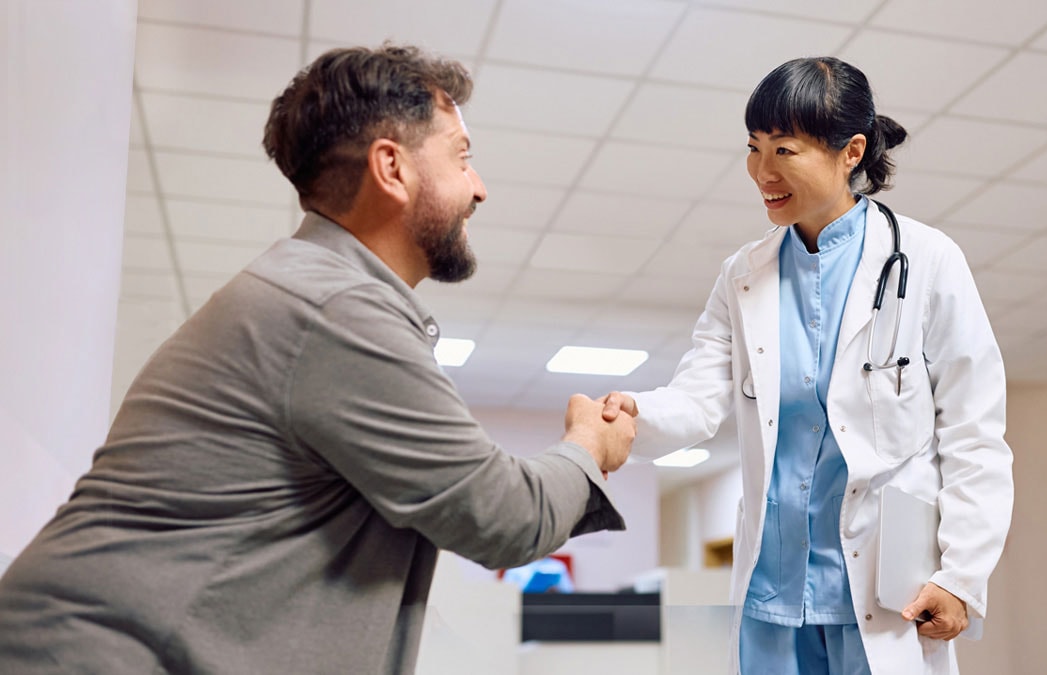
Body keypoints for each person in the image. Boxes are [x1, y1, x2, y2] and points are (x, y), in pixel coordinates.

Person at [0, 44, 635, 674]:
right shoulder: (334, 306)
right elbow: (503, 516)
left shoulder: (317, 290)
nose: (479, 188)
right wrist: (588, 448)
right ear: (392, 168)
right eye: (462, 158)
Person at [602, 57, 1013, 675]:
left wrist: (962, 576)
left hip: (882, 597)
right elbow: (698, 395)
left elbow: (975, 436)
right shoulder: (744, 275)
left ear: (851, 152)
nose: (762, 172)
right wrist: (639, 413)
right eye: (753, 147)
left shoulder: (927, 262)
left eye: (784, 150)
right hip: (772, 596)